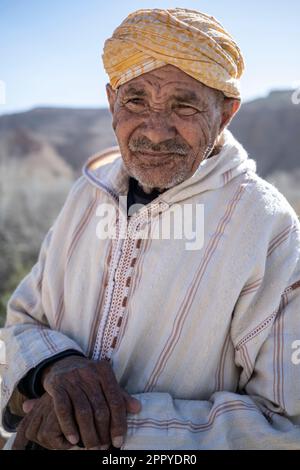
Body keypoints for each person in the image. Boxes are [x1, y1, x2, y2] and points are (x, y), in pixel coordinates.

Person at [1, 8, 300, 450]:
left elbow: (285, 425)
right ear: (111, 102)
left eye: (184, 104)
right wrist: (53, 368)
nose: (156, 132)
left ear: (225, 114)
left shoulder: (268, 230)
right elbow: (24, 320)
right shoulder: (87, 197)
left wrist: (99, 425)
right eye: (136, 100)